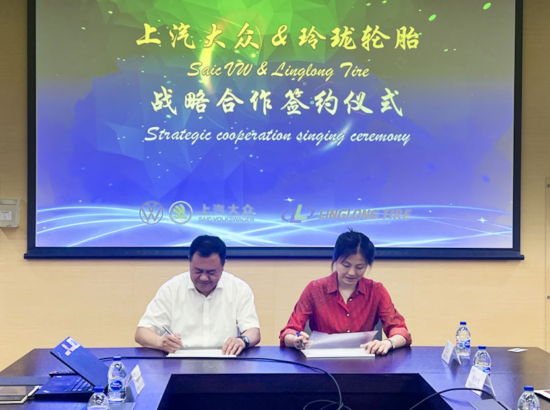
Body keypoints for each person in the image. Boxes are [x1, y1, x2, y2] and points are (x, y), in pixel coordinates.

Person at [279, 229, 411, 355]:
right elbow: (289, 331)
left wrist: (388, 343)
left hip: (365, 362)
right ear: (336, 260)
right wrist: (295, 340)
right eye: (346, 265)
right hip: (322, 362)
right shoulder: (315, 289)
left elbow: (401, 331)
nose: (352, 273)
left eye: (360, 267)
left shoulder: (376, 290)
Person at [135, 235, 260, 355]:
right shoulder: (171, 289)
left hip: (226, 360)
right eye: (198, 271)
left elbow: (253, 331)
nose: (204, 277)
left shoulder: (239, 289)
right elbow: (142, 333)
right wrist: (162, 343)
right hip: (179, 362)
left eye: (211, 272)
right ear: (189, 262)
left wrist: (242, 341)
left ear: (223, 265)